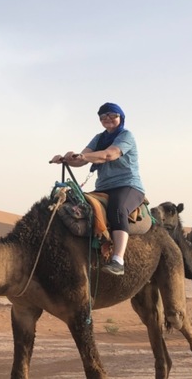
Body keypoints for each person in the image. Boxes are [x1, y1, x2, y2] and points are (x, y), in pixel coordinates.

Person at [50, 102, 145, 276]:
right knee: (78, 207)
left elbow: (109, 154)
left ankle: (118, 260)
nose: (107, 119)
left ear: (120, 117)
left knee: (117, 209)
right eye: (103, 116)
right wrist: (65, 159)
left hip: (128, 186)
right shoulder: (98, 138)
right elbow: (81, 160)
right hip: (103, 187)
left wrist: (83, 156)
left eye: (112, 115)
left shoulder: (126, 136)